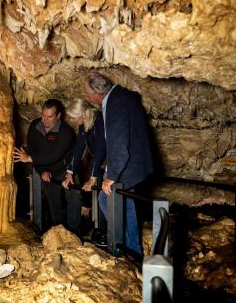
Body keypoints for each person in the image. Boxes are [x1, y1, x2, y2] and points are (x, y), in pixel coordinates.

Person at [83, 72, 154, 255]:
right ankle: (128, 247)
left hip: (128, 166)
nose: (87, 97)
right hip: (134, 163)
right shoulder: (121, 97)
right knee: (122, 203)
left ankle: (125, 249)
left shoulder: (116, 104)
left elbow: (119, 144)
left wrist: (111, 176)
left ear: (96, 94)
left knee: (113, 202)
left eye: (87, 92)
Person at [14, 99, 76, 230]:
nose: (45, 120)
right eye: (43, 115)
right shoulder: (35, 126)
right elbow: (33, 150)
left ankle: (75, 234)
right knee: (54, 206)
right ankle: (58, 234)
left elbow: (54, 155)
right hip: (46, 171)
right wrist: (42, 171)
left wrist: (30, 158)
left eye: (49, 117)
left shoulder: (66, 132)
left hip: (66, 171)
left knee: (74, 204)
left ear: (58, 116)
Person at [61, 99, 106, 234]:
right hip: (100, 163)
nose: (70, 119)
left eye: (72, 117)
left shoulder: (100, 122)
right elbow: (78, 148)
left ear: (82, 115)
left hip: (111, 164)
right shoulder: (84, 124)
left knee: (105, 198)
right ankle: (100, 231)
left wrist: (93, 176)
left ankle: (105, 232)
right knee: (100, 197)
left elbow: (101, 150)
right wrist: (69, 172)